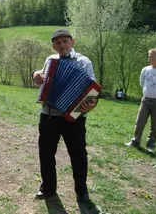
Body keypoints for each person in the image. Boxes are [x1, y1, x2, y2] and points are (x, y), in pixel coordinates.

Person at [32, 29, 97, 203]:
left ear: (72, 42)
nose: (61, 45)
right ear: (53, 45)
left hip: (74, 118)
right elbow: (41, 76)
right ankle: (48, 187)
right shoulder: (50, 60)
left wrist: (89, 104)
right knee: (46, 153)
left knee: (78, 155)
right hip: (49, 115)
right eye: (57, 42)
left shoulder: (83, 62)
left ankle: (81, 190)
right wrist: (35, 76)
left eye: (65, 41)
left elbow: (92, 91)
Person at [125, 48, 156, 153]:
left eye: (152, 57)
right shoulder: (145, 69)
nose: (149, 59)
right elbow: (142, 83)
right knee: (139, 122)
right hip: (145, 100)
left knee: (155, 125)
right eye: (149, 57)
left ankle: (151, 145)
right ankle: (135, 141)